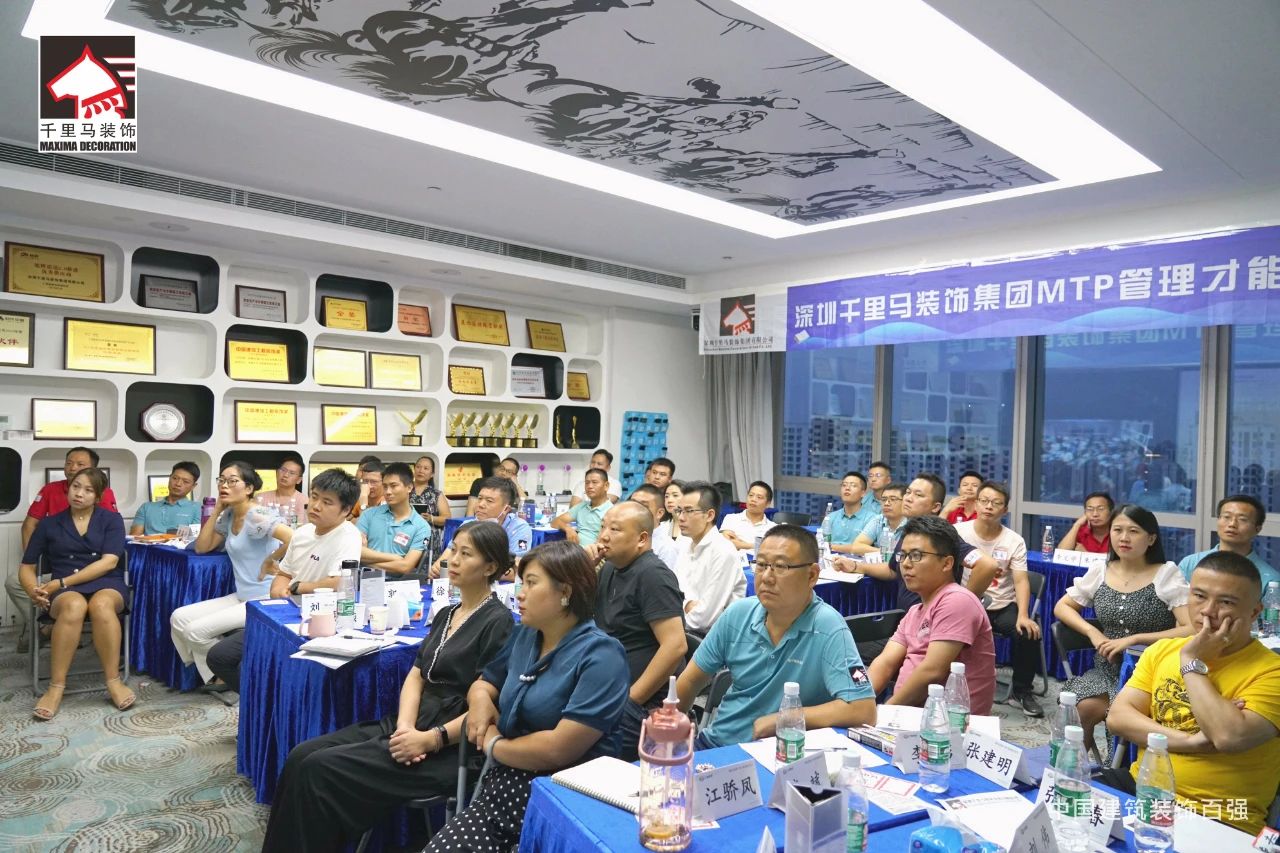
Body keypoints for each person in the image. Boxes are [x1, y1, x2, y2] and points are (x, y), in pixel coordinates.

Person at [260, 522, 515, 853]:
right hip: (411, 723)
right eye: (453, 550)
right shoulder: (447, 613)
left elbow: (486, 709)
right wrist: (405, 726)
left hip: (451, 745)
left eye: (466, 554)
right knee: (301, 755)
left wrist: (430, 739)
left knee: (318, 770)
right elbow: (416, 676)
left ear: (490, 567)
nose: (452, 560)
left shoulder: (498, 621)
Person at [425, 541, 628, 852]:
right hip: (504, 784)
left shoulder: (602, 655)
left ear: (565, 592)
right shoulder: (525, 636)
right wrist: (480, 704)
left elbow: (557, 750)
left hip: (564, 798)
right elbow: (484, 683)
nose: (520, 594)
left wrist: (493, 743)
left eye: (531, 583)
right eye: (521, 583)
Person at [1106, 551, 1280, 835]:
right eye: (1199, 596)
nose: (1208, 611)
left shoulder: (1272, 671)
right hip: (1142, 790)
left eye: (1226, 602)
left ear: (1254, 612)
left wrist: (1191, 662)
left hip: (1219, 814)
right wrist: (1191, 742)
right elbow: (1118, 718)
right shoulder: (1162, 651)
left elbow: (1227, 736)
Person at [676, 525, 877, 747]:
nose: (766, 577)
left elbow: (863, 709)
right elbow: (690, 680)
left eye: (781, 566)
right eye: (761, 564)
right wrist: (671, 730)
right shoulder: (738, 614)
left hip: (781, 753)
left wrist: (784, 718)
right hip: (717, 744)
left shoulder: (828, 628)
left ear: (811, 575)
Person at [203, 469, 364, 689]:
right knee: (219, 656)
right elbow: (284, 573)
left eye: (327, 502)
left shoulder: (348, 536)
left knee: (270, 665)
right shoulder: (303, 532)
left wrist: (297, 587)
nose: (316, 506)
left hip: (320, 618)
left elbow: (339, 582)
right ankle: (259, 697)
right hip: (286, 612)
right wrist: (278, 588)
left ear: (345, 510)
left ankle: (267, 695)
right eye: (314, 497)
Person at [1052, 503, 1192, 758]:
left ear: (1151, 539)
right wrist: (1092, 632)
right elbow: (1062, 607)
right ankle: (1071, 771)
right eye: (1117, 530)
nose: (1124, 538)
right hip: (1107, 669)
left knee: (1123, 716)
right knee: (1079, 708)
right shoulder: (1101, 571)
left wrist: (1136, 639)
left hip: (1150, 672)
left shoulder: (1166, 574)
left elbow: (1191, 628)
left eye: (1133, 531)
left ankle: (1120, 772)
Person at [19, 467, 132, 718]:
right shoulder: (49, 523)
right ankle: (56, 687)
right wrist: (32, 590)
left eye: (88, 490)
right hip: (66, 589)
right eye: (76, 486)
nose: (79, 493)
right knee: (74, 606)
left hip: (105, 581)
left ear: (98, 496)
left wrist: (60, 583)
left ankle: (113, 681)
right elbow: (27, 566)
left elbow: (109, 562)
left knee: (101, 605)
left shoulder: (111, 520)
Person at [172, 462, 291, 687]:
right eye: (222, 480)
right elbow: (202, 547)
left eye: (232, 481)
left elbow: (294, 539)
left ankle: (232, 677)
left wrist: (271, 559)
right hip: (241, 595)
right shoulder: (229, 515)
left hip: (264, 597)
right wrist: (217, 510)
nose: (224, 485)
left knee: (194, 631)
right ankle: (218, 675)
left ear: (249, 488)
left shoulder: (258, 515)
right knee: (179, 618)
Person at [868, 516, 997, 714]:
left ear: (947, 563)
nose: (906, 564)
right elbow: (885, 663)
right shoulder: (915, 612)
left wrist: (886, 712)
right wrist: (860, 702)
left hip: (946, 722)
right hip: (910, 713)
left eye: (916, 555)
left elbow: (932, 672)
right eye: (903, 555)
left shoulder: (957, 601)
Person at [591, 502, 687, 759]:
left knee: (576, 743)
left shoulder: (653, 575)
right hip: (608, 684)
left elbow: (675, 645)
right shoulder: (609, 567)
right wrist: (583, 571)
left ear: (642, 539)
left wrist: (631, 701)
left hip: (645, 702)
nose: (604, 536)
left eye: (615, 529)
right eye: (603, 527)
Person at [8, 446, 120, 653]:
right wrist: (35, 562)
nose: (72, 468)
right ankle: (45, 626)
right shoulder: (50, 490)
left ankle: (64, 626)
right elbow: (29, 525)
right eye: (69, 463)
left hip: (90, 565)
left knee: (97, 600)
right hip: (56, 561)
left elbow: (104, 530)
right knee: (15, 582)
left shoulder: (104, 495)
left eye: (80, 464)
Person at [833, 474, 998, 610]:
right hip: (908, 620)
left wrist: (963, 606)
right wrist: (856, 566)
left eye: (918, 495)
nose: (908, 499)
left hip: (932, 624)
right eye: (908, 492)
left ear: (935, 507)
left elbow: (987, 565)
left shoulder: (940, 534)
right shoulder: (912, 530)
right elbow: (892, 570)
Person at [953, 481, 1044, 717]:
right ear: (976, 503)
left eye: (996, 503)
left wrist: (1023, 615)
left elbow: (1021, 581)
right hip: (966, 603)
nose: (988, 507)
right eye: (984, 501)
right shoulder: (958, 532)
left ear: (1005, 510)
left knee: (1028, 632)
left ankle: (1021, 692)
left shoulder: (1014, 540)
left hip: (1001, 605)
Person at [672, 481, 746, 633]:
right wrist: (688, 605)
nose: (681, 518)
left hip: (714, 639)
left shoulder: (723, 551)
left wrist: (673, 617)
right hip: (684, 630)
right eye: (679, 511)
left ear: (709, 515)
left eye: (689, 511)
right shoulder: (685, 544)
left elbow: (703, 620)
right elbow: (672, 594)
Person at [429, 477, 532, 578]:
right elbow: (445, 558)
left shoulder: (519, 528)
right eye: (479, 498)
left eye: (489, 501)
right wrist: (437, 569)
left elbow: (516, 572)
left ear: (506, 509)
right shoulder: (468, 525)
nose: (481, 505)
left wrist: (473, 571)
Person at [1177, 494, 1279, 588]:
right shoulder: (1190, 564)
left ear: (1257, 529)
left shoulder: (1271, 581)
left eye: (1242, 519)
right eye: (1226, 517)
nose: (1232, 524)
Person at [357, 462, 433, 575]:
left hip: (398, 583)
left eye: (393, 486)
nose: (388, 492)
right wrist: (395, 558)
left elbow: (405, 567)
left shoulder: (421, 526)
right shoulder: (368, 515)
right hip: (365, 580)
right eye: (385, 486)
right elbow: (356, 552)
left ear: (409, 487)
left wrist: (366, 564)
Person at [835, 482, 907, 557]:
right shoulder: (879, 520)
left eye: (893, 499)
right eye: (884, 499)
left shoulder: (912, 525)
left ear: (905, 502)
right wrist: (885, 553)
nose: (886, 503)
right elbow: (856, 547)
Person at [130, 461, 201, 535]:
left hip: (180, 543)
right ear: (169, 478)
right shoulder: (146, 507)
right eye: (175, 478)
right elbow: (135, 537)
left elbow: (195, 537)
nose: (178, 484)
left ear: (193, 486)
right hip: (148, 542)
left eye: (185, 481)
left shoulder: (198, 509)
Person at [551, 467, 613, 547]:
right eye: (587, 483)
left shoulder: (612, 511)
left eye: (594, 482)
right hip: (576, 550)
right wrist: (568, 529)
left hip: (595, 552)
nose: (590, 486)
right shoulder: (582, 506)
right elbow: (555, 522)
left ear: (606, 486)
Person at [822, 472, 879, 554]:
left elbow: (861, 549)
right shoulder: (831, 517)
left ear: (863, 493)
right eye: (844, 485)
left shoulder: (872, 519)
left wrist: (833, 547)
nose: (847, 488)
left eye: (853, 485)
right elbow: (821, 544)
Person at [408, 455, 452, 561]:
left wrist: (431, 518)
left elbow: (447, 518)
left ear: (432, 474)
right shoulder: (405, 489)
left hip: (429, 540)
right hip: (406, 536)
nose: (421, 470)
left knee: (426, 567)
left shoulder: (436, 494)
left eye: (426, 468)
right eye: (418, 467)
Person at [627, 485, 679, 570]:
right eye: (632, 504)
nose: (635, 510)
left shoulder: (667, 547)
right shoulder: (624, 536)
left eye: (643, 506)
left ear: (659, 513)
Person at [719, 480, 777, 551]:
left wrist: (741, 544)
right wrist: (758, 546)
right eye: (751, 495)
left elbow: (771, 551)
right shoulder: (731, 518)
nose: (753, 499)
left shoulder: (773, 529)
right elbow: (726, 544)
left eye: (759, 497)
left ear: (768, 504)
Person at [257, 457, 307, 524]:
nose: (285, 475)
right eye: (283, 470)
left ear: (299, 480)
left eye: (292, 473)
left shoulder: (304, 502)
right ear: (276, 472)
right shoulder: (261, 498)